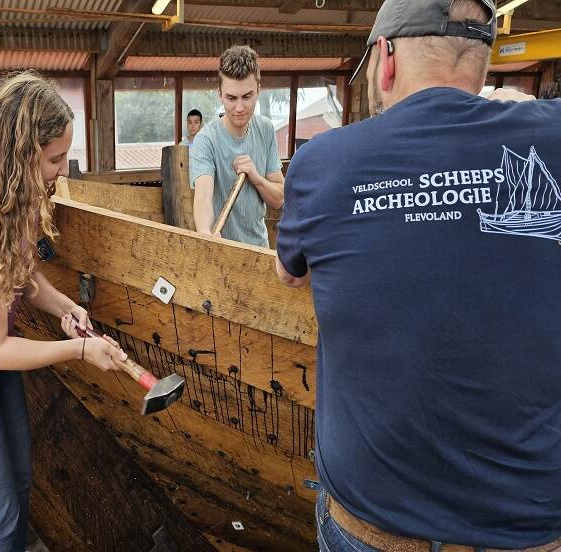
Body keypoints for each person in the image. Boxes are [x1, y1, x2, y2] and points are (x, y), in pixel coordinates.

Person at [276, 0, 561, 550]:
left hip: (376, 529)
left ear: (384, 58)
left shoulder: (325, 161)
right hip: (533, 530)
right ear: (484, 63)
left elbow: (290, 277)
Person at [0, 71, 127, 552]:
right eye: (55, 159)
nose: (61, 169)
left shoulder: (18, 196)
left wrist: (67, 307)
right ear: (21, 154)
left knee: (19, 491)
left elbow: (23, 276)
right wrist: (77, 349)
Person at [190, 45, 284, 245]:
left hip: (260, 249)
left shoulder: (265, 129)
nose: (240, 108)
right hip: (222, 252)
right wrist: (205, 232)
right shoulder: (206, 140)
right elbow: (203, 198)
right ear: (219, 94)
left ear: (258, 90)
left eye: (247, 97)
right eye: (231, 98)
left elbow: (279, 198)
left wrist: (257, 178)